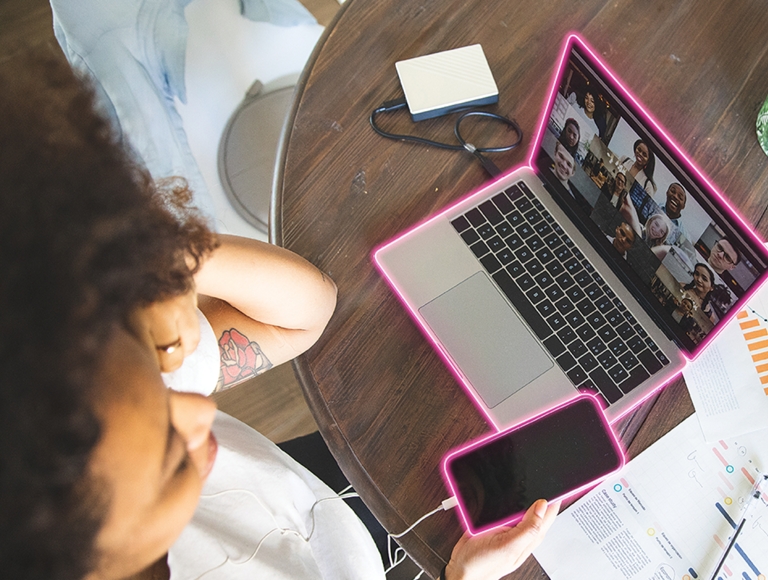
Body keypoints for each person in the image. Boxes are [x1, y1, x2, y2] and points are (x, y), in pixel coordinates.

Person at [1, 52, 560, 580]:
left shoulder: (86, 400)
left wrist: (155, 256)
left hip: (324, 506)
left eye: (163, 385)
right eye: (170, 460)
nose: (200, 411)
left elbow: (301, 313)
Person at [551, 140, 592, 214]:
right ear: (555, 153)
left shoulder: (572, 201)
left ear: (573, 172)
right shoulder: (537, 171)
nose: (563, 164)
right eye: (561, 156)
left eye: (569, 164)